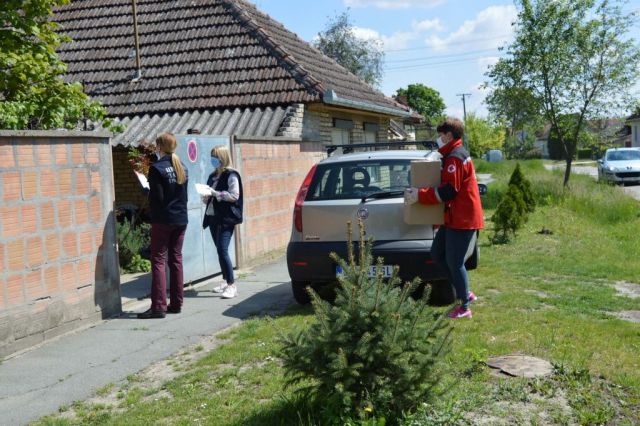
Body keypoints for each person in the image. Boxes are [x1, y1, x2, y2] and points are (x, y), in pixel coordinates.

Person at [405, 118, 484, 319]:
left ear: (449, 135)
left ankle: (464, 307)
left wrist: (420, 195)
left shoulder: (455, 157)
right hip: (453, 216)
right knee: (437, 254)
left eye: (440, 135)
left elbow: (449, 190)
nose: (438, 139)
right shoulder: (454, 155)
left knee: (454, 262)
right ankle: (465, 293)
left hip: (462, 217)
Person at [137, 133, 189, 319]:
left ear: (159, 147)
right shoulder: (182, 166)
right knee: (175, 260)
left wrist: (146, 190)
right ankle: (176, 303)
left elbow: (157, 198)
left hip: (163, 220)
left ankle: (158, 306)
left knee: (158, 260)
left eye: (155, 145)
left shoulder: (157, 168)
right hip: (181, 219)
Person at [202, 145, 243, 299]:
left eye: (216, 156)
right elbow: (210, 195)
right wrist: (207, 196)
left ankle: (232, 285)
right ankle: (225, 282)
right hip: (213, 216)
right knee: (219, 250)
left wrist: (216, 194)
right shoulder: (213, 176)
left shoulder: (231, 175)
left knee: (222, 250)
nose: (214, 159)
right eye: (212, 156)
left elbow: (234, 196)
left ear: (223, 158)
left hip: (226, 218)